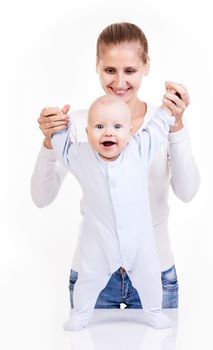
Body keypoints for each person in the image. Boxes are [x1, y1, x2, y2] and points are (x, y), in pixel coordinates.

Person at [31, 22, 200, 310]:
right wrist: (49, 142)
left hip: (155, 270)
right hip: (92, 273)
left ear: (146, 66)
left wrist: (177, 126)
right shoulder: (79, 124)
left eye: (130, 70)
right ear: (97, 66)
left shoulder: (161, 123)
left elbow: (187, 192)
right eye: (110, 70)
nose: (119, 82)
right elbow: (41, 198)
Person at [51, 95, 176, 330]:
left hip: (139, 242)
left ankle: (154, 311)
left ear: (130, 132)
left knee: (150, 276)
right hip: (99, 242)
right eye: (99, 127)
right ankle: (81, 314)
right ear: (87, 132)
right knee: (88, 279)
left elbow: (158, 127)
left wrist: (169, 107)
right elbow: (63, 150)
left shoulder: (139, 149)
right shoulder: (81, 156)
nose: (108, 133)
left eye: (117, 127)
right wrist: (59, 128)